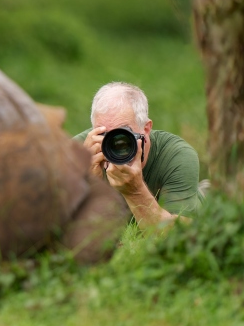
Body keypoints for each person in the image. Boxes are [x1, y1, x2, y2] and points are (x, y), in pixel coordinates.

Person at [74, 82, 204, 229]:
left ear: (146, 129)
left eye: (123, 134)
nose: (114, 143)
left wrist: (135, 192)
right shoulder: (77, 152)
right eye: (103, 134)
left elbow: (180, 238)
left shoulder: (177, 156)